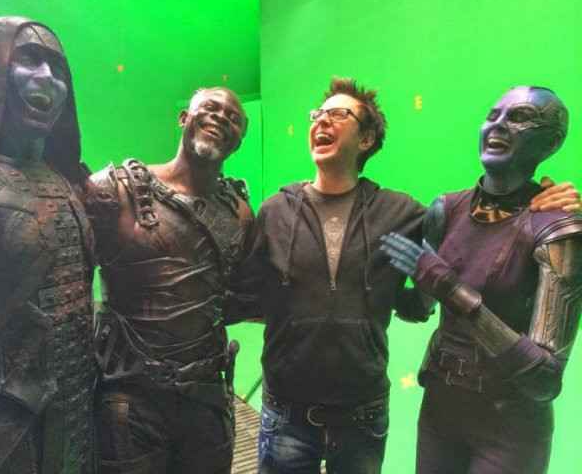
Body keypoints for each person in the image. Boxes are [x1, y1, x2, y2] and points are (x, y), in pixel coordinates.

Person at [236, 77, 580, 474]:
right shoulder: (278, 209)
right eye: (318, 114)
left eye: (338, 114)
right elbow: (248, 293)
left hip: (387, 416)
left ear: (366, 139)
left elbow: (540, 376)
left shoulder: (405, 213)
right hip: (309, 413)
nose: (322, 121)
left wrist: (553, 196)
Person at [382, 86, 582, 473]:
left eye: (520, 117)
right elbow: (419, 307)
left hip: (511, 424)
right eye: (492, 116)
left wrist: (448, 287)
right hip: (440, 407)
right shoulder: (446, 209)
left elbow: (543, 378)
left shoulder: (557, 229)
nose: (499, 125)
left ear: (552, 142)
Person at [0, 17, 96, 473]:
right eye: (29, 59)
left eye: (58, 69)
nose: (47, 77)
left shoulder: (68, 182)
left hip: (73, 414)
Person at [85, 87, 253, 473]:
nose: (220, 117)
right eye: (210, 107)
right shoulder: (116, 191)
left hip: (207, 401)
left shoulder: (240, 213)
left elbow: (239, 296)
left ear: (239, 140)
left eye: (232, 118)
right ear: (184, 118)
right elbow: (68, 288)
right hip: (131, 400)